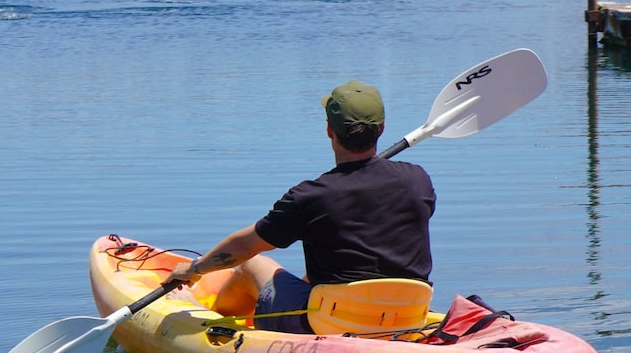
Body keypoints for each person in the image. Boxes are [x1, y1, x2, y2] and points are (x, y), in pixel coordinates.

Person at [170, 80, 435, 332]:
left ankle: (212, 325)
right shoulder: (418, 180)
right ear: (382, 128)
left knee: (253, 266)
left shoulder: (310, 197)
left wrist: (194, 269)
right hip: (408, 318)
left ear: (329, 129)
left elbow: (243, 247)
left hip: (330, 323)